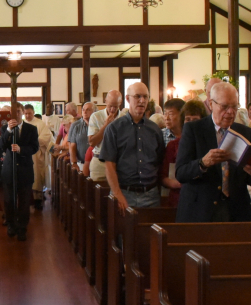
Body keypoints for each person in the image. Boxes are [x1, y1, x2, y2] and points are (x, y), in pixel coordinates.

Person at [175, 82, 251, 222]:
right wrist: (203, 163)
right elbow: (180, 173)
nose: (230, 112)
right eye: (224, 107)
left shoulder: (245, 132)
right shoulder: (194, 130)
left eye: (234, 106)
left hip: (236, 211)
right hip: (201, 210)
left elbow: (249, 178)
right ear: (211, 104)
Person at [104, 82, 165, 214]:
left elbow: (159, 162)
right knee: (123, 234)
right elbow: (109, 164)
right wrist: (117, 194)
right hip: (124, 193)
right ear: (127, 99)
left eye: (145, 97)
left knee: (152, 234)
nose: (142, 101)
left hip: (151, 195)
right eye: (137, 96)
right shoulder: (114, 128)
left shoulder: (155, 130)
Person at [0, 102, 39, 240]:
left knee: (24, 201)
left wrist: (22, 149)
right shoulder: (5, 128)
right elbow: (2, 146)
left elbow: (35, 147)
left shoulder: (31, 129)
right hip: (9, 169)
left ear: (22, 112)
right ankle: (11, 225)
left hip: (25, 169)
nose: (17, 114)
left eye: (19, 111)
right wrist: (9, 131)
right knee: (9, 200)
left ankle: (22, 228)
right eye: (13, 112)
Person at [161, 100, 206, 208]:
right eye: (187, 119)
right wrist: (176, 183)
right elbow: (163, 176)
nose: (191, 123)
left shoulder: (207, 144)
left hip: (202, 200)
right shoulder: (173, 145)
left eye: (195, 119)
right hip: (178, 199)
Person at [87, 90, 123, 181]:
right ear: (105, 101)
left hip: (120, 163)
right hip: (99, 162)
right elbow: (92, 142)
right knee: (97, 193)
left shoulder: (125, 117)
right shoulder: (96, 116)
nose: (112, 110)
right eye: (110, 106)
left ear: (120, 103)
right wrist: (106, 125)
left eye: (116, 106)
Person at [23, 104, 53, 210]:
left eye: (29, 113)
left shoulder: (39, 124)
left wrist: (33, 141)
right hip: (24, 155)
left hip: (36, 154)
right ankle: (26, 200)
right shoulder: (21, 124)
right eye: (25, 113)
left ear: (33, 112)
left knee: (36, 176)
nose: (27, 116)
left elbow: (46, 136)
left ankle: (37, 199)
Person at [68, 102, 95, 173]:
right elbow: (72, 146)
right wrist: (74, 163)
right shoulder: (75, 125)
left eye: (88, 110)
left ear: (94, 112)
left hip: (95, 163)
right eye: (83, 110)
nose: (85, 112)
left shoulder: (98, 125)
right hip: (80, 163)